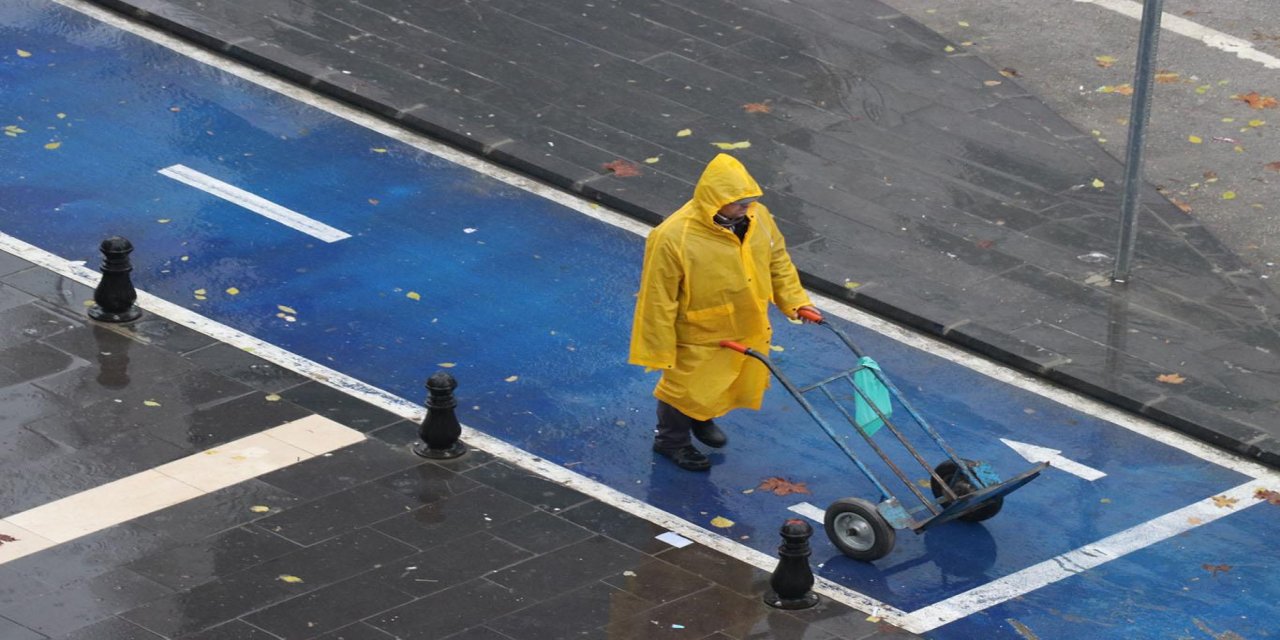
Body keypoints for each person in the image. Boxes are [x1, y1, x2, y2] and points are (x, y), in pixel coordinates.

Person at [629, 153, 817, 471]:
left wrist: (796, 301)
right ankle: (670, 441)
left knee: (720, 380)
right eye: (739, 203)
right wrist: (658, 347)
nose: (747, 208)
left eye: (748, 201)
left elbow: (777, 261)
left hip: (745, 322)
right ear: (717, 201)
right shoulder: (673, 237)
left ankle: (701, 416)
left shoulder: (759, 219)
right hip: (698, 329)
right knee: (683, 387)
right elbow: (657, 297)